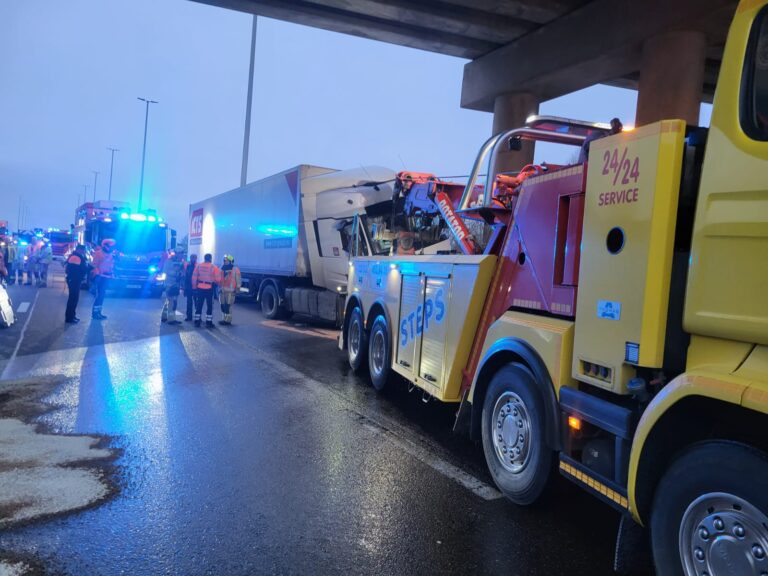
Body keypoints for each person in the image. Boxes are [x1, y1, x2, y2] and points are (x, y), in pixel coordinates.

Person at [191, 253, 219, 328]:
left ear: (204, 258)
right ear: (210, 258)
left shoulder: (199, 266)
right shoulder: (213, 267)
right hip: (209, 288)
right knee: (209, 305)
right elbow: (218, 279)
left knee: (199, 305)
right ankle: (208, 322)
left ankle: (197, 321)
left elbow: (194, 277)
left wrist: (194, 287)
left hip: (200, 287)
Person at [91, 238, 116, 320]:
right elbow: (94, 265)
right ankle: (95, 313)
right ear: (105, 245)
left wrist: (112, 274)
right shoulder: (98, 254)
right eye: (110, 246)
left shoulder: (110, 255)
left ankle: (99, 312)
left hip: (106, 277)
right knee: (99, 295)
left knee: (102, 296)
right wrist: (98, 275)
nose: (111, 248)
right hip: (100, 277)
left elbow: (111, 267)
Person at [65, 244, 88, 324]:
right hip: (74, 280)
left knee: (75, 299)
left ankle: (72, 316)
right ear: (79, 250)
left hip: (76, 280)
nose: (84, 251)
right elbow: (75, 270)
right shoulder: (75, 257)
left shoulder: (79, 256)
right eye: (83, 250)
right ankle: (69, 318)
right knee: (73, 299)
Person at [161, 252, 184, 324]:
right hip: (170, 285)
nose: (182, 255)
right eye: (181, 253)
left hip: (175, 285)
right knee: (172, 302)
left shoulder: (179, 261)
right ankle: (171, 319)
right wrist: (177, 274)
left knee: (168, 300)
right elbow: (166, 271)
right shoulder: (169, 261)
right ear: (177, 253)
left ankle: (164, 316)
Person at [218, 255, 241, 326]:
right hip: (222, 291)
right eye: (224, 260)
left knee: (228, 306)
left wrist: (237, 290)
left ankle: (228, 321)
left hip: (230, 292)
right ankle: (224, 319)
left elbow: (238, 281)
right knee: (222, 306)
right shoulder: (222, 268)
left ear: (231, 261)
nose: (224, 262)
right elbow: (219, 279)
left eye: (226, 260)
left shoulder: (235, 269)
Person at [183, 253, 197, 321]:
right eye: (192, 258)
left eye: (194, 258)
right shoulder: (188, 266)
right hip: (189, 287)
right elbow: (186, 277)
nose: (193, 259)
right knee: (189, 303)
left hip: (196, 288)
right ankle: (189, 317)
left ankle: (198, 317)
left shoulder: (197, 266)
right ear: (190, 258)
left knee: (196, 303)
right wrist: (185, 288)